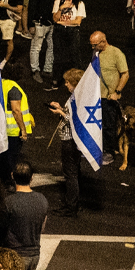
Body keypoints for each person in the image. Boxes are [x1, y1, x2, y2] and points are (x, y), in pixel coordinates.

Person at [48, 69, 86, 217]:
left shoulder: (78, 98)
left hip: (70, 140)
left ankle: (71, 207)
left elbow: (76, 120)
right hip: (74, 140)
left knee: (70, 174)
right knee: (75, 172)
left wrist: (61, 113)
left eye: (68, 82)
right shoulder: (77, 96)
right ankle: (75, 203)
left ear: (75, 83)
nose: (65, 84)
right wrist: (61, 108)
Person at [5, 162, 47, 270]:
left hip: (15, 254)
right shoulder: (42, 199)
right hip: (34, 254)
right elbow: (42, 228)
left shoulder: (9, 202)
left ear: (12, 176)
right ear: (32, 177)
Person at [91, 31, 128, 167]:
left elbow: (125, 74)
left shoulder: (116, 53)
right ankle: (98, 148)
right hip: (96, 95)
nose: (93, 47)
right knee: (96, 123)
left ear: (103, 41)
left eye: (95, 44)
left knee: (108, 126)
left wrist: (117, 91)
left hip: (109, 97)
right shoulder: (96, 53)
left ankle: (109, 152)